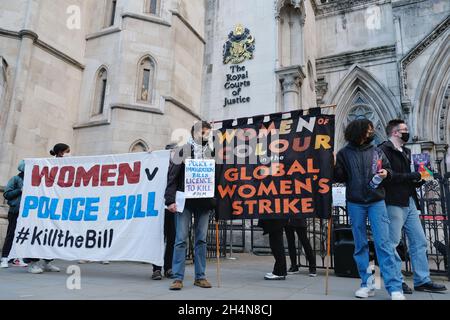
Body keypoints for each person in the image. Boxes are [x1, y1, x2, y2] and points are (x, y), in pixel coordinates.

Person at [334, 119, 405, 300]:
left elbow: (388, 171)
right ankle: (368, 284)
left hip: (376, 201)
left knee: (384, 244)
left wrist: (386, 173)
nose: (371, 132)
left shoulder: (377, 151)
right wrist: (333, 163)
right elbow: (339, 177)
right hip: (355, 202)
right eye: (368, 129)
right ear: (359, 131)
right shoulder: (344, 153)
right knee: (360, 245)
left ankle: (394, 287)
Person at [379, 119, 447, 294]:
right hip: (393, 201)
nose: (407, 132)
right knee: (392, 244)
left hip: (409, 201)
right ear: (395, 132)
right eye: (404, 130)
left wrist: (420, 178)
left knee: (419, 241)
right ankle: (396, 281)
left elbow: (408, 178)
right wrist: (412, 175)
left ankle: (422, 280)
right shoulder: (382, 150)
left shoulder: (407, 151)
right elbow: (389, 176)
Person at [165, 122, 215, 290]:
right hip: (185, 201)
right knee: (180, 240)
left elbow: (217, 178)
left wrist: (216, 201)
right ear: (193, 133)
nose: (205, 136)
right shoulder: (183, 150)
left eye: (207, 133)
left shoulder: (212, 152)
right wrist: (169, 200)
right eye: (202, 132)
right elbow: (172, 176)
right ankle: (178, 278)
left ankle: (200, 277)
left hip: (204, 202)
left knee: (201, 240)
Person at [25, 143, 70, 273]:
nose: (68, 154)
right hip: (43, 204)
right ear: (61, 152)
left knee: (54, 234)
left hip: (58, 205)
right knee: (38, 233)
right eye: (67, 151)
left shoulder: (68, 165)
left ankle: (47, 262)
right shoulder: (48, 163)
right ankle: (32, 263)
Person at [151, 143, 177, 280]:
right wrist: (149, 155)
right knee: (158, 238)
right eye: (171, 152)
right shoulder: (158, 166)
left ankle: (168, 268)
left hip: (172, 207)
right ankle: (156, 269)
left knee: (172, 238)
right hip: (158, 208)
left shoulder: (178, 167)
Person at [0, 160, 28, 269]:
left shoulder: (33, 181)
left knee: (22, 235)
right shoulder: (15, 179)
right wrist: (20, 190)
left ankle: (17, 258)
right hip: (15, 211)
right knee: (11, 234)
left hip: (26, 214)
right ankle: (5, 258)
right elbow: (6, 194)